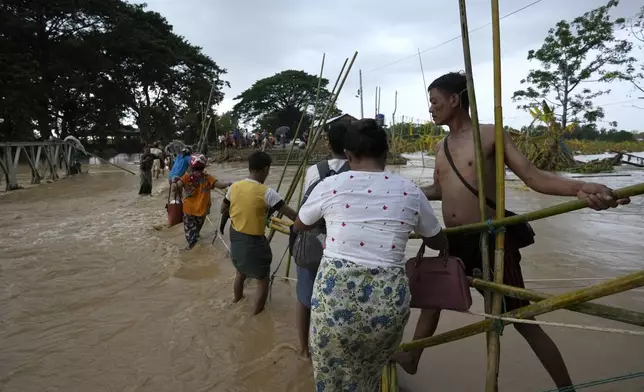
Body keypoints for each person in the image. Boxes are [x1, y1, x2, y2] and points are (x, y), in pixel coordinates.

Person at [393, 72, 631, 391]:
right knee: (432, 300)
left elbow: (532, 177)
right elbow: (439, 188)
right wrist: (404, 192)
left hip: (490, 239)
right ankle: (412, 358)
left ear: (455, 100)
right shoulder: (441, 146)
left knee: (521, 319)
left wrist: (580, 187)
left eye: (435, 102)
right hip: (455, 241)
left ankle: (566, 388)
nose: (431, 109)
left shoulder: (490, 135)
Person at [293, 119, 448, 391]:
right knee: (370, 376)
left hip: (335, 301)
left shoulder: (330, 185)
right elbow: (436, 240)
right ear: (386, 153)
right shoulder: (409, 190)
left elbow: (301, 223)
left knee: (333, 380)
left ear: (349, 155)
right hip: (387, 304)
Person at [293, 122, 351, 358]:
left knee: (304, 298)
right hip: (344, 243)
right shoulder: (358, 170)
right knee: (343, 301)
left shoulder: (314, 170)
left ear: (328, 143)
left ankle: (304, 350)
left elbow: (306, 211)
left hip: (313, 241)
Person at [221, 151, 297, 315]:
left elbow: (223, 209)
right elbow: (292, 216)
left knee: (240, 271)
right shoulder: (267, 192)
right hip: (253, 241)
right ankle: (256, 314)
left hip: (235, 236)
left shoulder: (234, 187)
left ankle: (237, 300)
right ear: (266, 169)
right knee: (263, 278)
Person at [172, 154, 231, 249]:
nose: (198, 171)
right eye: (196, 169)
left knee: (193, 233)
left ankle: (193, 250)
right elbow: (220, 185)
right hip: (192, 211)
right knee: (193, 235)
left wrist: (228, 184)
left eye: (200, 169)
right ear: (192, 168)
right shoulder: (204, 177)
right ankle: (194, 249)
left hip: (197, 211)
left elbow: (219, 185)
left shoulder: (194, 177)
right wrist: (228, 183)